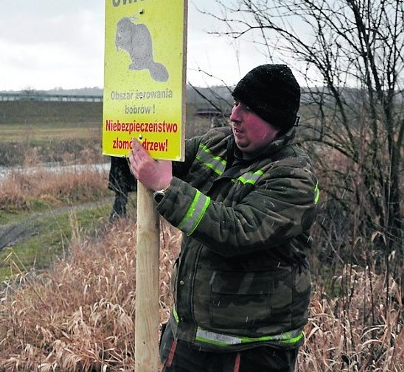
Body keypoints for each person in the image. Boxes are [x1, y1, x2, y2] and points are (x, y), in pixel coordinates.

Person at [129, 64, 319, 372]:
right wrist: (138, 150)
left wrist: (166, 186)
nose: (234, 115)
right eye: (236, 103)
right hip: (188, 339)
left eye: (249, 109)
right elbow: (159, 159)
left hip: (253, 350)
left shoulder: (294, 178)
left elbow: (236, 231)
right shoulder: (215, 144)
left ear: (276, 120)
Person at [108, 155, 137, 221]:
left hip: (121, 170)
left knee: (121, 198)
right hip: (120, 172)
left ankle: (117, 219)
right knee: (121, 198)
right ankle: (116, 220)